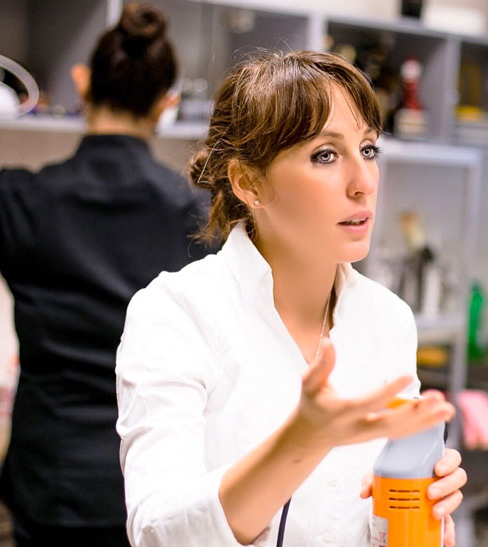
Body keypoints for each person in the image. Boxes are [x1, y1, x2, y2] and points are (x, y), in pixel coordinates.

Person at [0, 5, 208, 545]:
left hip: (54, 486)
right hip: (158, 482)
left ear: (82, 82)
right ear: (165, 104)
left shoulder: (19, 200)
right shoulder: (199, 214)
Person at [115, 50, 467, 546]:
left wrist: (420, 507)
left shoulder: (387, 320)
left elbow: (380, 523)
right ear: (248, 182)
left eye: (367, 149)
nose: (363, 183)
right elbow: (158, 531)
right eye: (325, 155)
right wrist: (301, 443)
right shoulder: (176, 313)